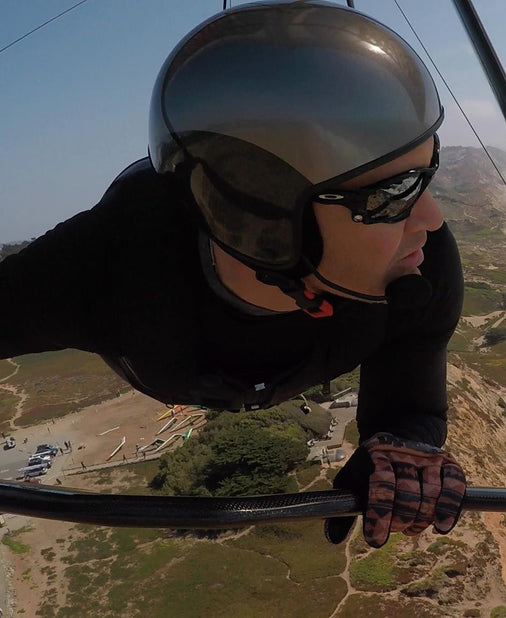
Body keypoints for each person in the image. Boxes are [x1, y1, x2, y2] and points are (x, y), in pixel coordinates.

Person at [0, 1, 466, 548]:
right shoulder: (109, 266)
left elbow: (411, 394)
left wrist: (401, 443)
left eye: (427, 175)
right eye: (392, 194)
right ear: (265, 220)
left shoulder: (420, 267)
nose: (432, 219)